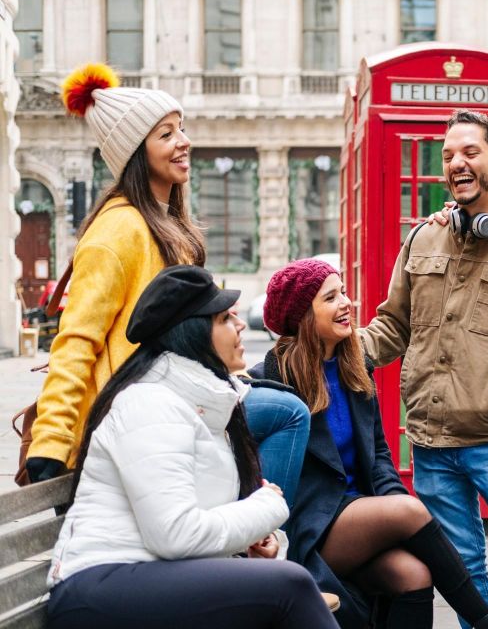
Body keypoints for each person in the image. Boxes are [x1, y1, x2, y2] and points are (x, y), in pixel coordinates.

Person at [25, 63, 309, 508]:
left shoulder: (168, 223)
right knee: (291, 414)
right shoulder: (118, 229)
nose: (184, 142)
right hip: (137, 412)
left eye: (181, 129)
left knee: (287, 400)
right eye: (166, 134)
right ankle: (258, 537)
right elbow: (76, 340)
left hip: (180, 396)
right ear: (138, 151)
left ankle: (251, 537)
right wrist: (52, 440)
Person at [45, 265, 337, 629]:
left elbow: (197, 523)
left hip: (149, 576)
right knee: (290, 586)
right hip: (98, 586)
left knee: (283, 587)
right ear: (193, 334)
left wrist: (259, 545)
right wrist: (267, 507)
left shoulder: (205, 408)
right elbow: (175, 534)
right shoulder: (150, 404)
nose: (240, 325)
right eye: (224, 318)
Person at [359, 110, 488, 629]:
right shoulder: (422, 239)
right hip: (429, 443)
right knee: (464, 572)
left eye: (470, 152)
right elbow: (392, 328)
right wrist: (328, 352)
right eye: (448, 155)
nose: (456, 163)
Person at [249, 257, 488, 629]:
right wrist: (395, 514)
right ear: (302, 316)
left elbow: (378, 456)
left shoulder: (354, 367)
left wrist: (390, 514)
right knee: (408, 511)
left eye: (343, 292)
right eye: (330, 298)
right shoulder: (272, 381)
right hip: (309, 525)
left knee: (414, 574)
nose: (346, 304)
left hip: (360, 513)